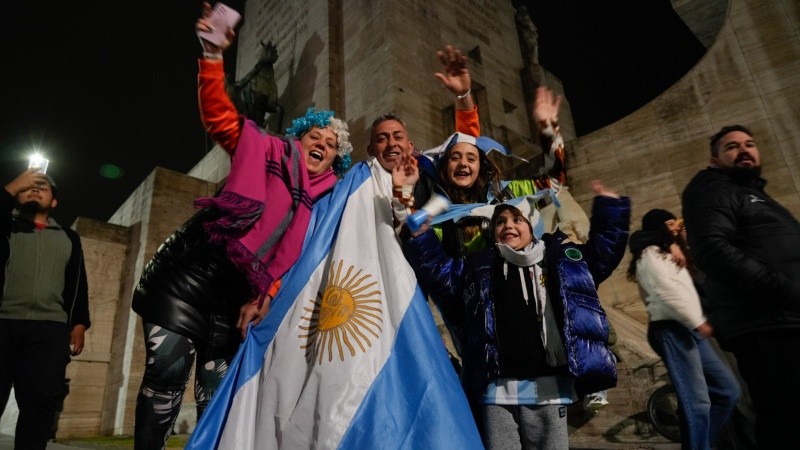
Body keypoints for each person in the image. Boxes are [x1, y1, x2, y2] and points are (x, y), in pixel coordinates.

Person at [130, 5, 353, 449]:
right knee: (166, 379)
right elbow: (219, 116)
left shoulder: (324, 201)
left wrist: (264, 297)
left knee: (217, 400)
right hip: (187, 277)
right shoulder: (265, 149)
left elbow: (296, 261)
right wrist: (213, 55)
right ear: (300, 138)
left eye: (331, 146)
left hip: (234, 300)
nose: (322, 146)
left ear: (334, 160)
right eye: (316, 137)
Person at [403, 180, 629, 448]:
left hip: (549, 388)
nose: (509, 225)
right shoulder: (478, 266)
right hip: (498, 390)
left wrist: (610, 209)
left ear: (531, 228)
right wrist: (422, 236)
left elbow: (602, 255)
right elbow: (440, 273)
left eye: (517, 220)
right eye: (500, 222)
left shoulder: (561, 260)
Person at [681, 125, 800, 448]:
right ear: (715, 159)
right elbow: (712, 251)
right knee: (784, 420)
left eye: (749, 143)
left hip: (784, 317)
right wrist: (785, 290)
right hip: (768, 322)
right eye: (731, 146)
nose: (744, 150)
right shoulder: (712, 190)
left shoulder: (752, 193)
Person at [628, 208, 739, 449]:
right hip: (671, 329)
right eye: (669, 223)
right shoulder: (649, 254)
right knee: (697, 401)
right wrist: (697, 320)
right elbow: (666, 292)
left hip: (688, 328)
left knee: (728, 390)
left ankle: (702, 444)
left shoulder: (668, 252)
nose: (676, 227)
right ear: (658, 228)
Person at [0, 170, 90, 450]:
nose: (35, 189)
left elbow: (77, 284)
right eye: (28, 187)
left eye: (43, 187)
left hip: (48, 330)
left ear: (54, 202)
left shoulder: (69, 238)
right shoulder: (7, 227)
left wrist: (78, 323)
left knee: (40, 404)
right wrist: (13, 185)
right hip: (2, 323)